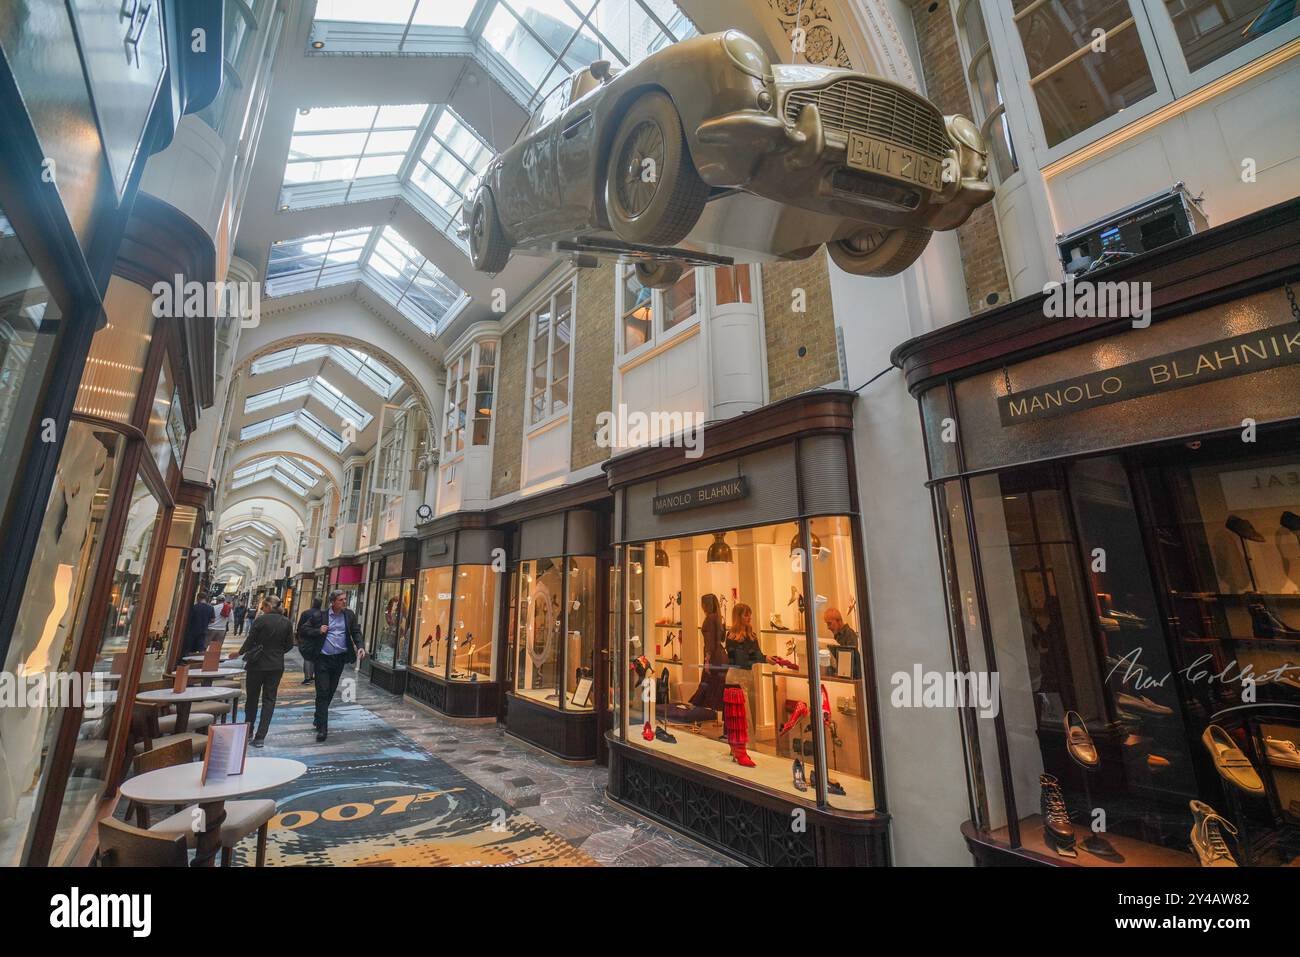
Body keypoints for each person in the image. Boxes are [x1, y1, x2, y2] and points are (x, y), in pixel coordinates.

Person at [300, 590, 366, 742]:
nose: (344, 602)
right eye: (341, 600)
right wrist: (318, 630)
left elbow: (356, 632)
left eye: (345, 599)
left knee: (330, 691)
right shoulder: (320, 616)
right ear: (333, 602)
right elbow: (303, 629)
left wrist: (360, 646)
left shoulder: (349, 615)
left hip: (339, 659)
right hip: (322, 659)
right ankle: (322, 729)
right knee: (323, 691)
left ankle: (319, 716)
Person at [236, 596, 295, 747]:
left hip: (257, 664)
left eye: (263, 606)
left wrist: (240, 652)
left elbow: (250, 640)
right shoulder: (287, 622)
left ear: (269, 606)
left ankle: (249, 730)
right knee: (269, 699)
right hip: (276, 665)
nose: (262, 609)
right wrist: (277, 652)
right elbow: (290, 644)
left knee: (252, 698)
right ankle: (260, 737)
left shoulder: (261, 620)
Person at [688, 593, 727, 712]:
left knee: (706, 685)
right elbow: (722, 639)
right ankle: (711, 715)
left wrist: (707, 659)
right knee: (715, 688)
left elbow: (709, 642)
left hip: (713, 656)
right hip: (721, 656)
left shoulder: (710, 619)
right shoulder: (719, 617)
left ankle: (699, 715)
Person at [296, 597, 322, 685]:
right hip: (317, 638)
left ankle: (308, 677)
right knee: (314, 657)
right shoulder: (322, 614)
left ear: (313, 603)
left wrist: (298, 636)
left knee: (307, 657)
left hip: (306, 638)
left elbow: (300, 626)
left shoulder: (305, 613)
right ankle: (311, 675)